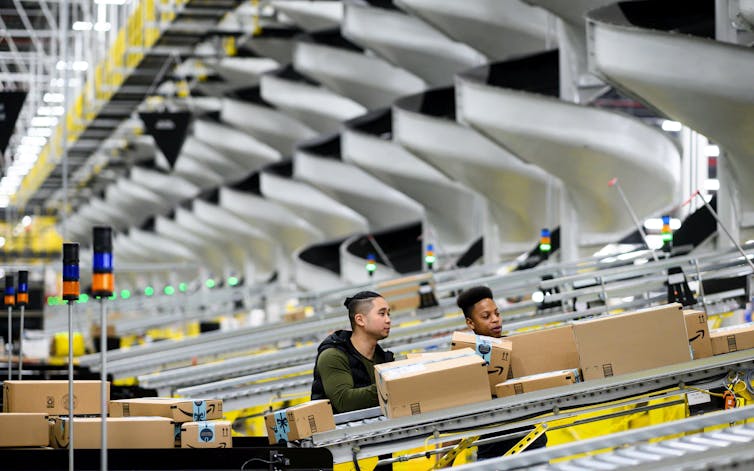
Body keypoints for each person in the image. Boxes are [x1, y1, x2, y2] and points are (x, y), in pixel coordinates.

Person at [456, 286, 548, 460]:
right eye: (486, 316)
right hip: (492, 453)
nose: (495, 320)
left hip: (532, 444)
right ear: (470, 323)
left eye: (497, 314)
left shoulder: (516, 350)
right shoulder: (464, 361)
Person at [311, 291, 394, 414]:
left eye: (388, 314)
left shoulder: (382, 357)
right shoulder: (332, 356)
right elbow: (344, 402)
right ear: (360, 320)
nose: (388, 320)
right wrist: (393, 385)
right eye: (382, 314)